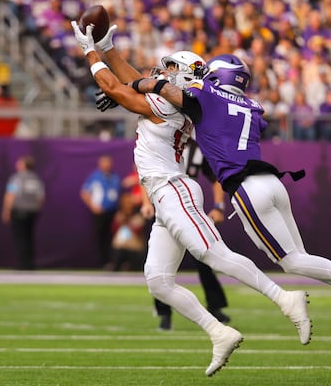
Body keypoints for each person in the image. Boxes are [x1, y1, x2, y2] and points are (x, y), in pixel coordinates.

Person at [72, 21, 311, 377]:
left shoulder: (168, 107)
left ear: (183, 76)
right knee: (157, 280)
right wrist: (107, 46)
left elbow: (114, 86)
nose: (161, 72)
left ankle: (285, 298)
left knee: (211, 254)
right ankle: (219, 331)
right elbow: (131, 78)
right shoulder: (175, 102)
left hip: (174, 189)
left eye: (170, 69)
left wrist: (89, 50)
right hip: (163, 193)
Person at [130, 53, 331, 333]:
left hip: (248, 189)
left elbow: (167, 90)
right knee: (302, 258)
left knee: (291, 261)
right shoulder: (253, 106)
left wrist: (137, 84)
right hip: (273, 183)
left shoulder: (207, 94)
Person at [141, 139, 232, 331]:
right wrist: (146, 203)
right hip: (163, 208)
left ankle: (215, 307)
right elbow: (144, 175)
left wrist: (218, 207)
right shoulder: (160, 140)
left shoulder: (198, 148)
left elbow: (214, 178)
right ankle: (164, 314)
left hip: (188, 209)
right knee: (159, 267)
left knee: (205, 257)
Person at [2, 155, 45, 270]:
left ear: (24, 165)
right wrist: (36, 208)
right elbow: (41, 197)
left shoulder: (17, 178)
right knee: (29, 237)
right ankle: (30, 264)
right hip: (32, 211)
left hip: (19, 210)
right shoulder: (36, 179)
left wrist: (6, 211)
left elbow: (10, 195)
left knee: (20, 238)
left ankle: (22, 264)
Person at [80, 155, 121, 268]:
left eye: (109, 163)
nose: (107, 165)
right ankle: (102, 262)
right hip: (100, 213)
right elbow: (84, 192)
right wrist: (93, 206)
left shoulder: (114, 177)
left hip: (113, 212)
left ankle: (112, 262)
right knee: (100, 237)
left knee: (112, 237)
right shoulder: (95, 177)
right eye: (105, 163)